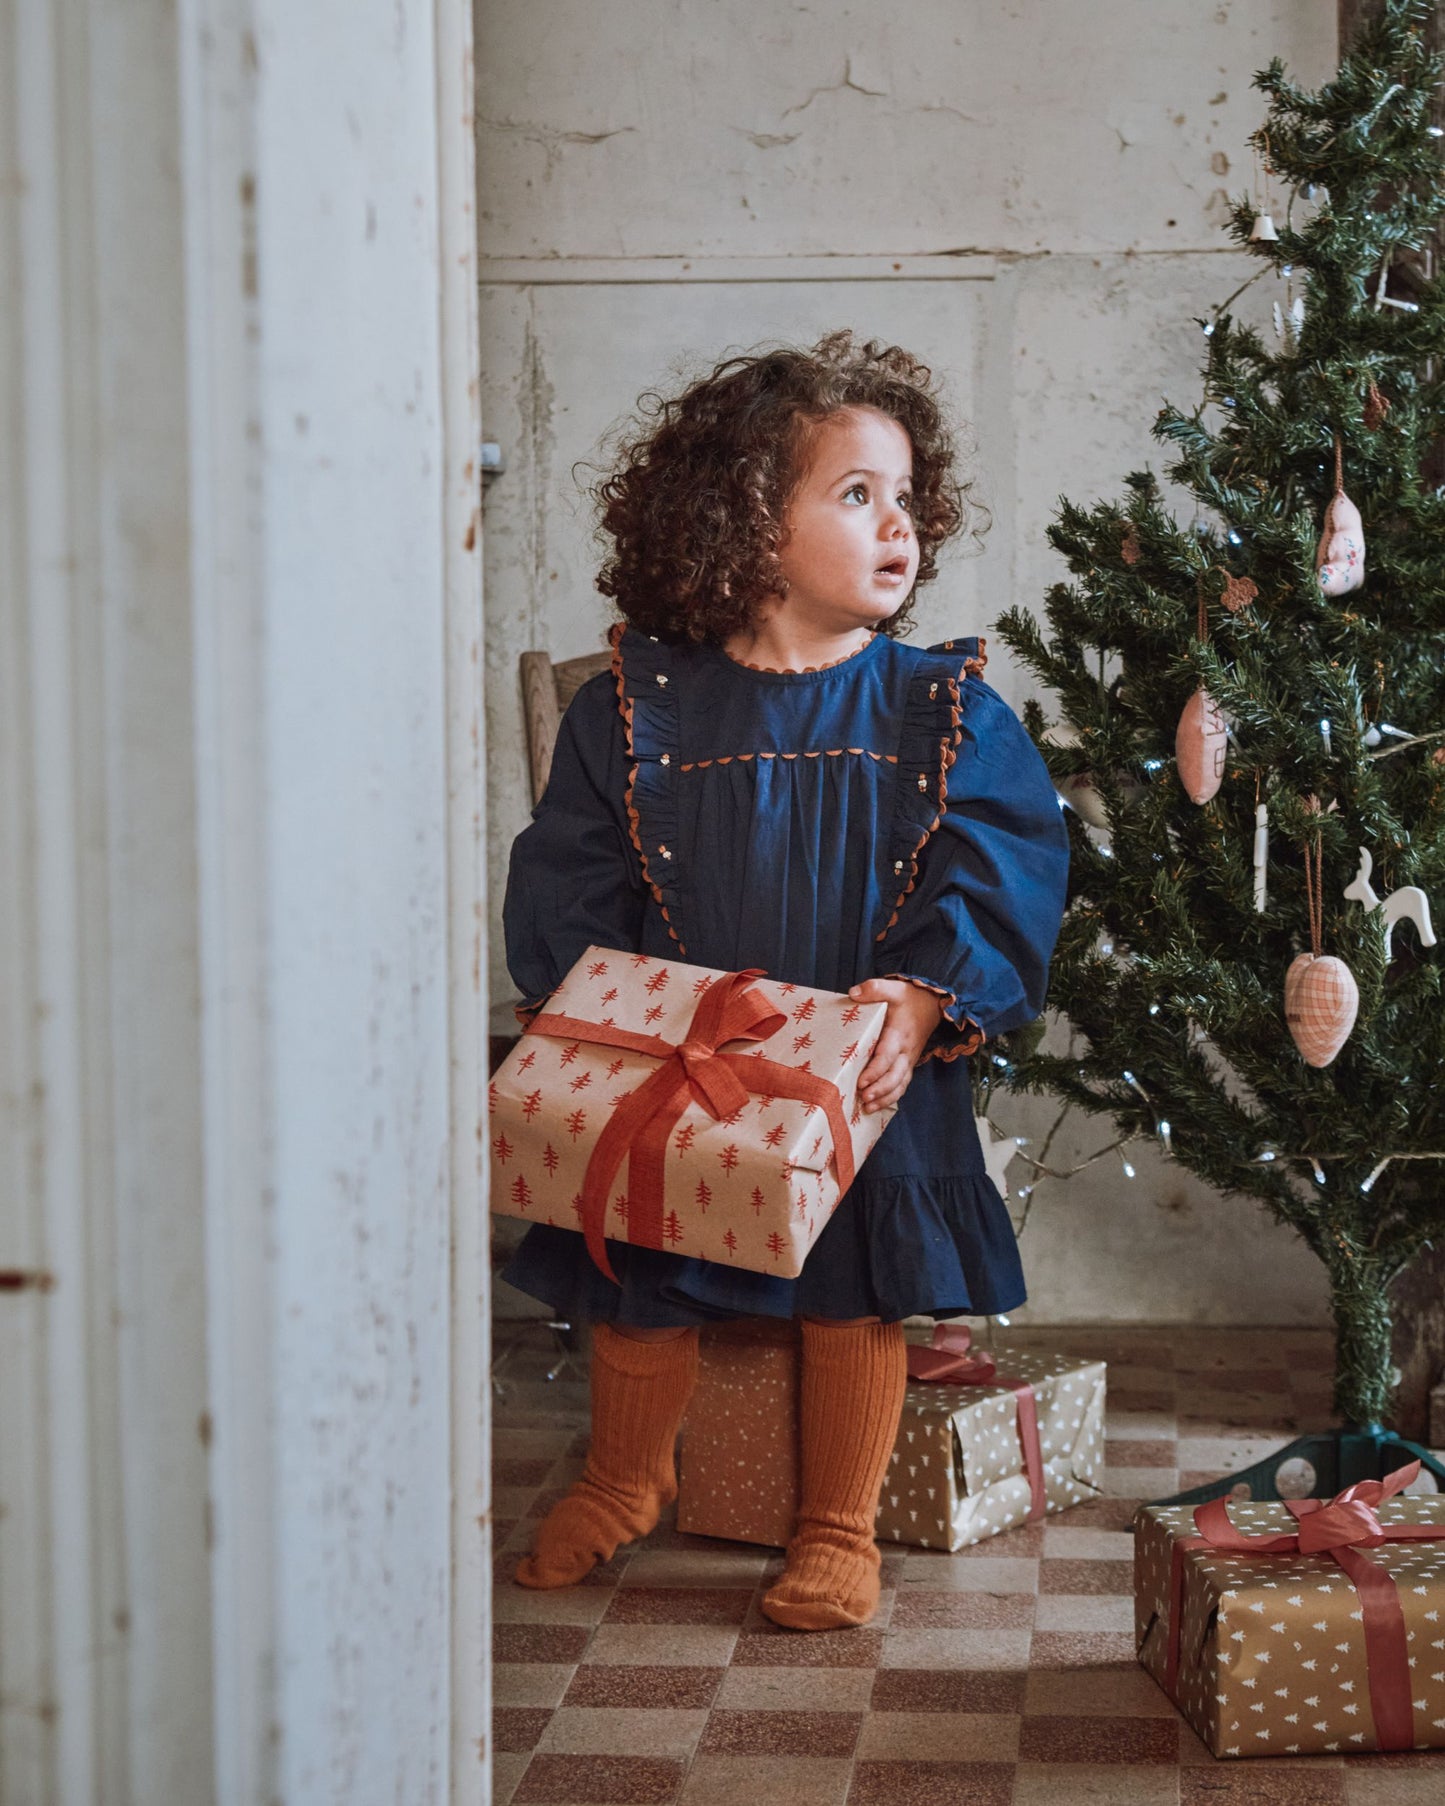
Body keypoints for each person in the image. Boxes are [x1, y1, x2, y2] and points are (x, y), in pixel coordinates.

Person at [500, 331, 1069, 1631]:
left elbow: (1003, 862)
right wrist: (600, 1009)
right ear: (748, 521)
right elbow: (569, 871)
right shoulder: (636, 707)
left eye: (908, 497)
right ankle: (624, 1474)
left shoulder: (941, 707)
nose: (898, 524)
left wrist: (924, 992)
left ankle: (835, 1523)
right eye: (855, 493)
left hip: (864, 1062)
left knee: (850, 1296)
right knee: (644, 1278)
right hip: (684, 1057)